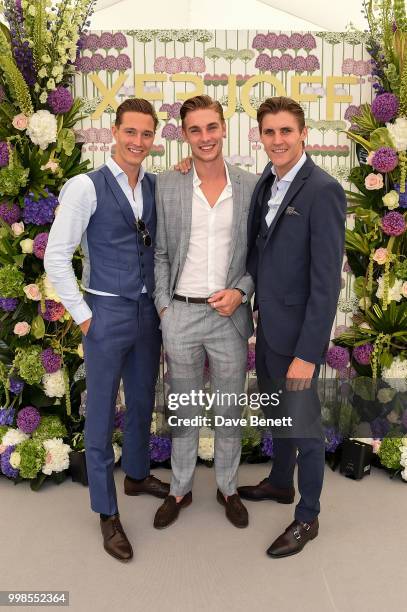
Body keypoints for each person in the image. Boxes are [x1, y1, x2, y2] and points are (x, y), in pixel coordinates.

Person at [44, 98, 169, 562]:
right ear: (114, 132)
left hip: (146, 315)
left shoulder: (155, 186)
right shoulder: (86, 186)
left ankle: (136, 474)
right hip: (105, 312)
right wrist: (84, 314)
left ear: (153, 139)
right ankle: (106, 510)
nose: (137, 141)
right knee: (99, 414)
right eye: (130, 132)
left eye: (146, 134)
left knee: (141, 401)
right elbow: (56, 256)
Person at [238, 96, 346, 558]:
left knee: (303, 428)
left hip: (299, 336)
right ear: (259, 136)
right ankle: (281, 483)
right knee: (275, 413)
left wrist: (308, 352)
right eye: (269, 132)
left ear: (304, 134)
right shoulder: (267, 179)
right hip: (268, 327)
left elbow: (326, 284)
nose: (277, 140)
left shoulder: (322, 190)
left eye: (286, 131)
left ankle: (308, 516)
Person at [153, 94, 258, 529]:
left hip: (229, 316)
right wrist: (164, 308)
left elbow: (259, 254)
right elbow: (159, 252)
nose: (205, 137)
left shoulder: (252, 185)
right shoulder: (167, 184)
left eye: (211, 127)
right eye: (194, 130)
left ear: (223, 128)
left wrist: (242, 291)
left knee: (229, 407)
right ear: (184, 135)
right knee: (185, 407)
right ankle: (179, 488)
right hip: (180, 314)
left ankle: (228, 486)